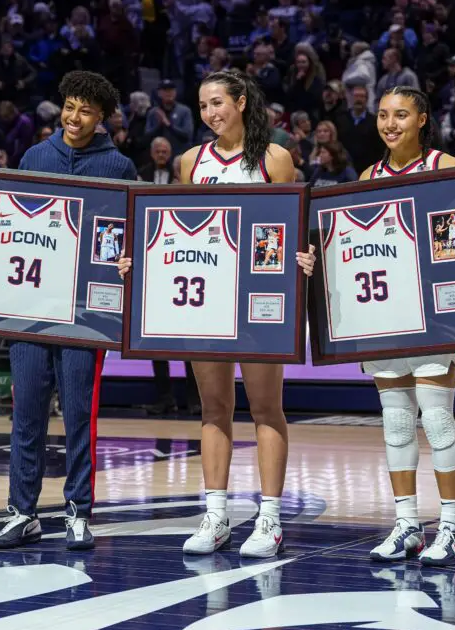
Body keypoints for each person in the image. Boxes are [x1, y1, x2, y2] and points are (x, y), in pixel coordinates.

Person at [117, 70, 316, 558]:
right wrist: (138, 258)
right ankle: (216, 515)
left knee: (266, 407)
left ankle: (269, 518)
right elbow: (179, 229)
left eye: (218, 103)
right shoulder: (191, 161)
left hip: (257, 301)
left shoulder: (275, 157)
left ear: (242, 102)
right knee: (213, 408)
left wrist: (302, 257)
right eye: (203, 105)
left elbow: (287, 228)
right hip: (207, 299)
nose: (209, 113)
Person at [0, 71, 137, 550]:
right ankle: (22, 511)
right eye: (70, 107)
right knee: (26, 412)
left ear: (102, 118)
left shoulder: (118, 166)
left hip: (85, 313)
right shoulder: (35, 156)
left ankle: (78, 510)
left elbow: (127, 231)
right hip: (31, 308)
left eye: (86, 111)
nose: (74, 118)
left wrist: (125, 257)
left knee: (77, 415)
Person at [353, 86, 455, 566]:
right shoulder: (367, 176)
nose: (390, 124)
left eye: (401, 114)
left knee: (437, 419)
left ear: (423, 119)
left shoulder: (448, 168)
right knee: (397, 422)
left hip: (434, 311)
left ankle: (452, 528)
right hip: (385, 311)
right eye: (383, 115)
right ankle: (407, 525)